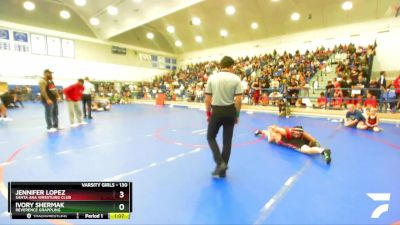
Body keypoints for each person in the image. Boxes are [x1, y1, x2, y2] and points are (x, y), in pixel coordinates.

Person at [205, 56, 242, 178]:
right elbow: (238, 100)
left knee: (210, 137)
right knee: (227, 142)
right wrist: (236, 114)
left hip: (217, 111)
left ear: (221, 66)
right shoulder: (236, 79)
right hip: (230, 111)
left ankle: (220, 163)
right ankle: (223, 171)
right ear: (231, 66)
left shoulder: (212, 78)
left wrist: (208, 113)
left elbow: (208, 99)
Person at [254, 125, 331, 164]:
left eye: (299, 134)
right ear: (293, 132)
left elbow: (311, 140)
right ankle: (261, 132)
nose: (297, 135)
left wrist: (315, 143)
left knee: (307, 150)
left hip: (297, 143)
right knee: (270, 139)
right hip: (284, 139)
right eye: (296, 134)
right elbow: (273, 127)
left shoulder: (301, 135)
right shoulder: (284, 132)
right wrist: (270, 130)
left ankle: (323, 151)